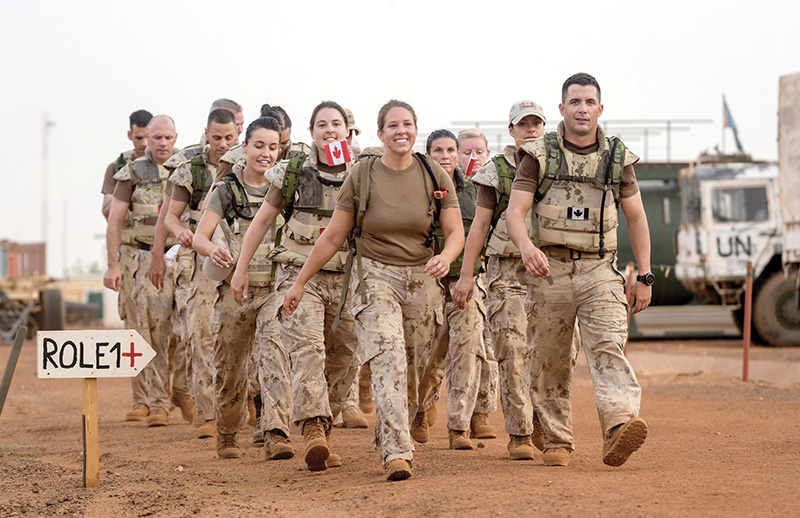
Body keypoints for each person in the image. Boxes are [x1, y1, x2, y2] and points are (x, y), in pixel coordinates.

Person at [283, 100, 464, 481]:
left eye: (408, 124)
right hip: (374, 276)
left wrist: (447, 258)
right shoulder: (362, 175)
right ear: (380, 133)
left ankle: (392, 431)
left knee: (414, 367)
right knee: (387, 358)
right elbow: (333, 235)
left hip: (423, 277)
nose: (402, 131)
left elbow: (455, 232)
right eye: (393, 125)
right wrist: (300, 282)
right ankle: (397, 452)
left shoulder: (434, 175)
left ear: (416, 130)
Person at [506, 72, 652, 467]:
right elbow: (515, 211)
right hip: (549, 270)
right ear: (562, 108)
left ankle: (620, 425)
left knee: (608, 345)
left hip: (600, 270)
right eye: (575, 102)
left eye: (589, 102)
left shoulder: (618, 158)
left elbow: (636, 218)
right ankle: (556, 439)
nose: (582, 109)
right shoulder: (539, 155)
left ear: (600, 109)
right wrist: (525, 246)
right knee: (550, 357)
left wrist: (645, 274)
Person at [231, 101, 359, 472]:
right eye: (322, 124)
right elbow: (261, 222)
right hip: (298, 277)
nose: (330, 130)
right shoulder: (293, 173)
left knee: (346, 356)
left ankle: (324, 422)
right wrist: (241, 269)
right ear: (312, 132)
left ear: (347, 131)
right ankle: (314, 428)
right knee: (307, 350)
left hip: (349, 278)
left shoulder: (363, 172)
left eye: (336, 124)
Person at [192, 116, 292, 460]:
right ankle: (228, 432)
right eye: (259, 146)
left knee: (275, 358)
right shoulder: (227, 189)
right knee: (230, 369)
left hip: (275, 290)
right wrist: (214, 250)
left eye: (273, 147)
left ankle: (276, 432)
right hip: (235, 293)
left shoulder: (285, 189)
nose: (265, 153)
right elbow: (200, 236)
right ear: (245, 147)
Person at [454, 100, 547, 460]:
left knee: (554, 354)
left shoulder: (556, 163)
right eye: (523, 124)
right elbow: (478, 226)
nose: (530, 130)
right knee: (511, 352)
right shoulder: (496, 172)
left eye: (536, 123)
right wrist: (466, 275)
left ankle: (544, 415)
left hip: (550, 272)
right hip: (507, 271)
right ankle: (520, 431)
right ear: (511, 131)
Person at [161, 108, 239, 439]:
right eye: (217, 137)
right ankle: (207, 413)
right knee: (201, 334)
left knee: (237, 336)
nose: (223, 144)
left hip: (238, 259)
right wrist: (179, 232)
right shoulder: (189, 169)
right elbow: (170, 216)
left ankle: (241, 410)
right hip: (198, 263)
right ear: (206, 134)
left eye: (229, 138)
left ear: (239, 135)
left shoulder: (249, 163)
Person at [104, 114, 181, 428]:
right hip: (140, 259)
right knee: (141, 330)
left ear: (176, 137)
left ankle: (174, 395)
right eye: (156, 138)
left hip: (178, 257)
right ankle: (148, 401)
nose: (162, 144)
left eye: (167, 138)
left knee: (173, 334)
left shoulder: (185, 169)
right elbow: (113, 220)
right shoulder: (130, 171)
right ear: (145, 138)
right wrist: (112, 265)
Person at [412, 129, 486, 451]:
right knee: (429, 353)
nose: (445, 156)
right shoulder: (415, 188)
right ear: (428, 154)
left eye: (451, 150)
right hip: (425, 281)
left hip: (464, 282)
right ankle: (420, 406)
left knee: (466, 349)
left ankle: (459, 426)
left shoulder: (475, 190)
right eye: (438, 150)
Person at [101, 109, 152, 421]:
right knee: (134, 326)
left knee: (171, 330)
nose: (145, 143)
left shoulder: (171, 164)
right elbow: (108, 211)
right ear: (130, 135)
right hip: (131, 252)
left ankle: (167, 392)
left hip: (165, 253)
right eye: (139, 137)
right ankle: (141, 399)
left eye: (151, 137)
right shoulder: (119, 167)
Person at [454, 129, 499, 441]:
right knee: (460, 349)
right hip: (456, 276)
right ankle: (430, 408)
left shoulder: (495, 183)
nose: (473, 158)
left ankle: (482, 413)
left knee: (491, 347)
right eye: (467, 152)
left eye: (479, 152)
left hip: (492, 275)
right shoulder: (445, 185)